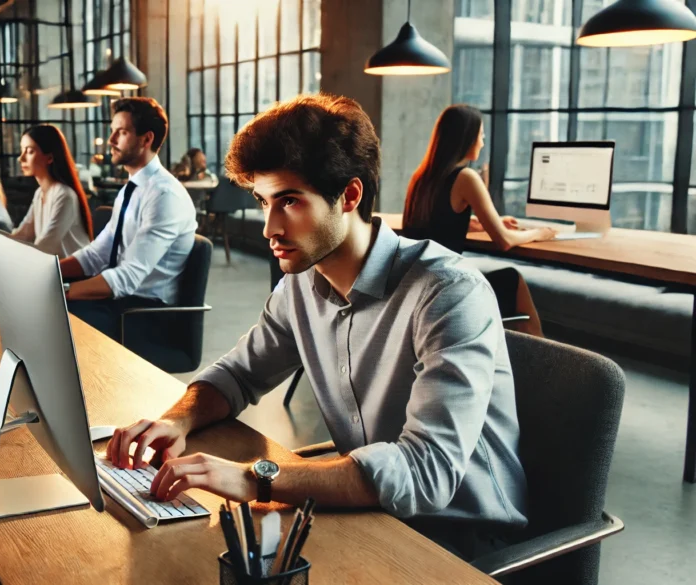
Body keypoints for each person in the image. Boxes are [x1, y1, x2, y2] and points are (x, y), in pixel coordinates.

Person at [104, 94, 527, 561]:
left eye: (289, 201)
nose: (269, 228)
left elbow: (426, 474)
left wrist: (256, 477)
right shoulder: (303, 284)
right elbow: (238, 375)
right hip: (367, 517)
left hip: (463, 544)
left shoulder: (447, 292)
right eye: (264, 201)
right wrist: (175, 420)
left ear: (349, 196)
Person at [403, 105, 553, 335]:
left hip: (420, 285)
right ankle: (543, 360)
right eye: (480, 135)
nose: (482, 142)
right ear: (467, 138)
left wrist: (489, 221)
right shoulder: (465, 177)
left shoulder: (421, 177)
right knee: (514, 280)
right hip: (450, 287)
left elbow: (440, 222)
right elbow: (504, 241)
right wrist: (538, 233)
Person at [61, 97, 198, 339]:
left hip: (146, 314)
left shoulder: (164, 195)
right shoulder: (131, 189)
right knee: (43, 312)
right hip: (120, 302)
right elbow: (97, 255)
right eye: (112, 132)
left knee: (51, 319)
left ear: (146, 139)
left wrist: (62, 291)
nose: (111, 141)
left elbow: (127, 277)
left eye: (121, 132)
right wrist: (45, 274)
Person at [0, 124, 92, 262]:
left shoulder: (64, 195)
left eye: (29, 151)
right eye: (21, 151)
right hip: (48, 269)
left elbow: (44, 248)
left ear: (49, 158)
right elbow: (22, 236)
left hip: (73, 276)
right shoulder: (40, 193)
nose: (21, 158)